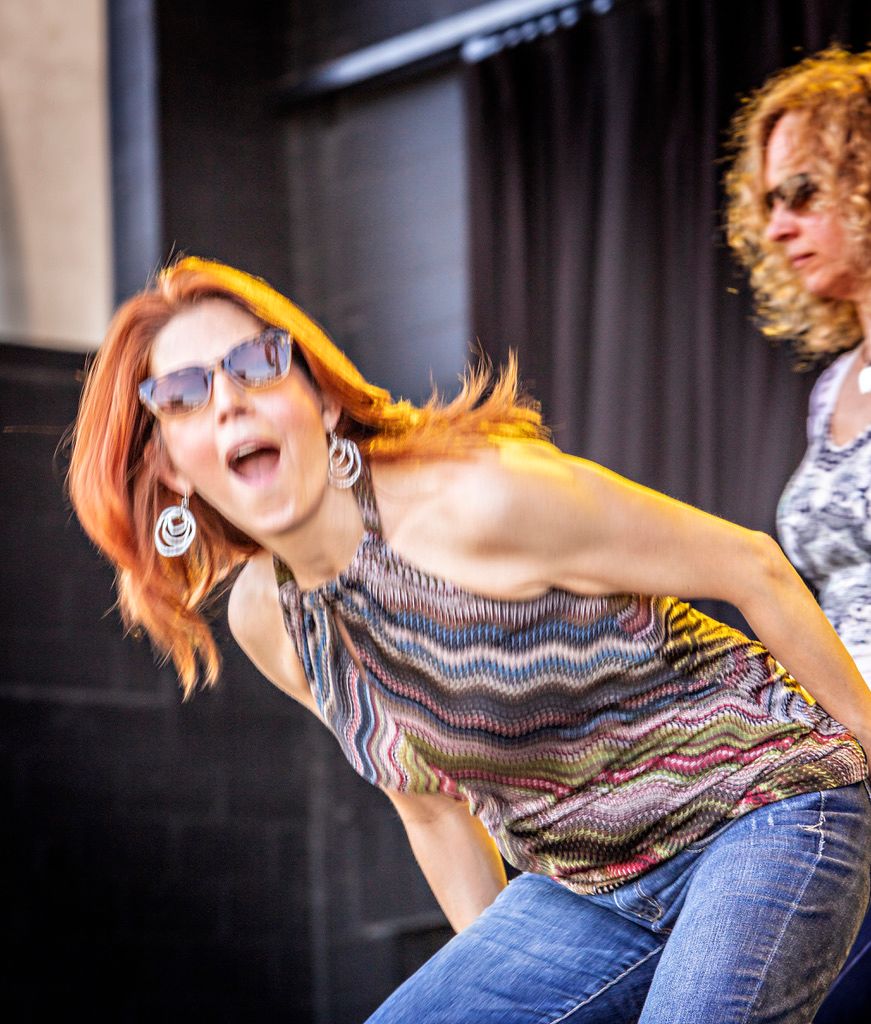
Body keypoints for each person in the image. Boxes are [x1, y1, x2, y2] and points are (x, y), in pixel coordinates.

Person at [69, 255, 871, 1023]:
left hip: (762, 805)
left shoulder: (476, 500)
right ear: (169, 465)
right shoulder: (271, 620)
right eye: (182, 393)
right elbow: (429, 812)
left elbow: (753, 567)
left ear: (320, 400)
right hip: (587, 888)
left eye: (255, 364)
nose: (227, 400)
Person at [726, 46, 871, 1021]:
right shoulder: (833, 386)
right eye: (768, 200)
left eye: (804, 192)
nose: (778, 225)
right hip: (838, 762)